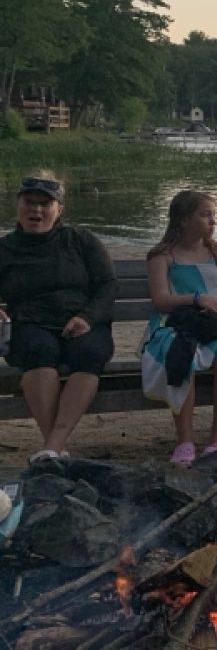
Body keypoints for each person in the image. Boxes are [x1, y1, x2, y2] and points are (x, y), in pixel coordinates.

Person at [0, 173, 116, 463]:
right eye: (30, 202)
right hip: (30, 324)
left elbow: (107, 285)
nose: (36, 210)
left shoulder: (81, 240)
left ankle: (53, 445)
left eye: (45, 204)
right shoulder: (5, 248)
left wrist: (88, 318)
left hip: (81, 322)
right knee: (40, 351)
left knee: (89, 352)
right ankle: (55, 448)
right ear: (19, 205)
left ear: (59, 209)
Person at [141, 191, 217, 467]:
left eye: (213, 214)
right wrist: (196, 299)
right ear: (184, 219)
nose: (213, 220)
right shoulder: (163, 256)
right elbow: (161, 301)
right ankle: (185, 439)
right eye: (205, 214)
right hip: (174, 323)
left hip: (213, 324)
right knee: (181, 352)